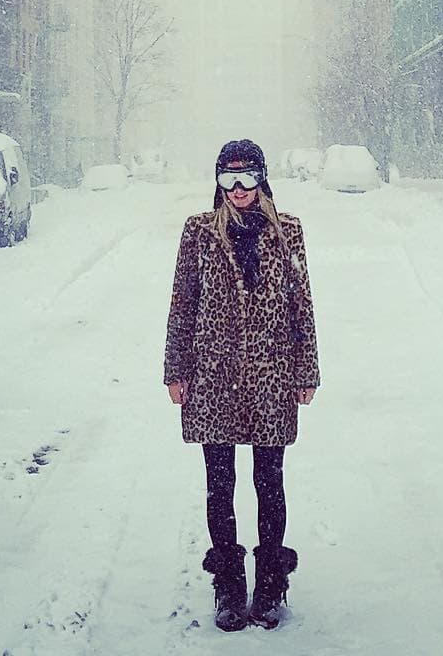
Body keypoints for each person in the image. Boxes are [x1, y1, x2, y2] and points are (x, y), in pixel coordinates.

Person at [164, 139, 320, 631]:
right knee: (220, 484)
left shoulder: (288, 231)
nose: (238, 190)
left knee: (269, 482)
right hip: (213, 376)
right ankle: (229, 584)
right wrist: (177, 369)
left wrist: (306, 370)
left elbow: (302, 305)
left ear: (262, 179)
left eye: (247, 178)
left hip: (272, 375)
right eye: (228, 179)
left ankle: (271, 582)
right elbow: (182, 304)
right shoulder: (198, 233)